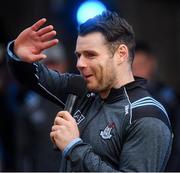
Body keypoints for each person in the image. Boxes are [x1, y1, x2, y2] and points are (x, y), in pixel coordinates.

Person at [7, 11, 172, 172]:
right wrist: (18, 54)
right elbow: (34, 78)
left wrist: (73, 147)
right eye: (78, 55)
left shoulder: (146, 115)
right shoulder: (82, 89)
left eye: (90, 55)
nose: (80, 63)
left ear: (121, 54)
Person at [132, 41, 180, 171]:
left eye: (141, 65)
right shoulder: (124, 100)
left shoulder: (168, 97)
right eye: (133, 67)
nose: (137, 72)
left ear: (152, 63)